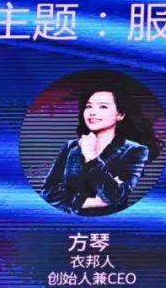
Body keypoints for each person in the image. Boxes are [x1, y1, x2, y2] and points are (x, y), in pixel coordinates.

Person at [40, 86, 156, 216]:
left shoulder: (135, 150)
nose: (92, 112)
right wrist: (89, 202)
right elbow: (48, 192)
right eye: (89, 106)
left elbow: (115, 197)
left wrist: (90, 156)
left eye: (103, 106)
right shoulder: (71, 146)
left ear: (120, 115)